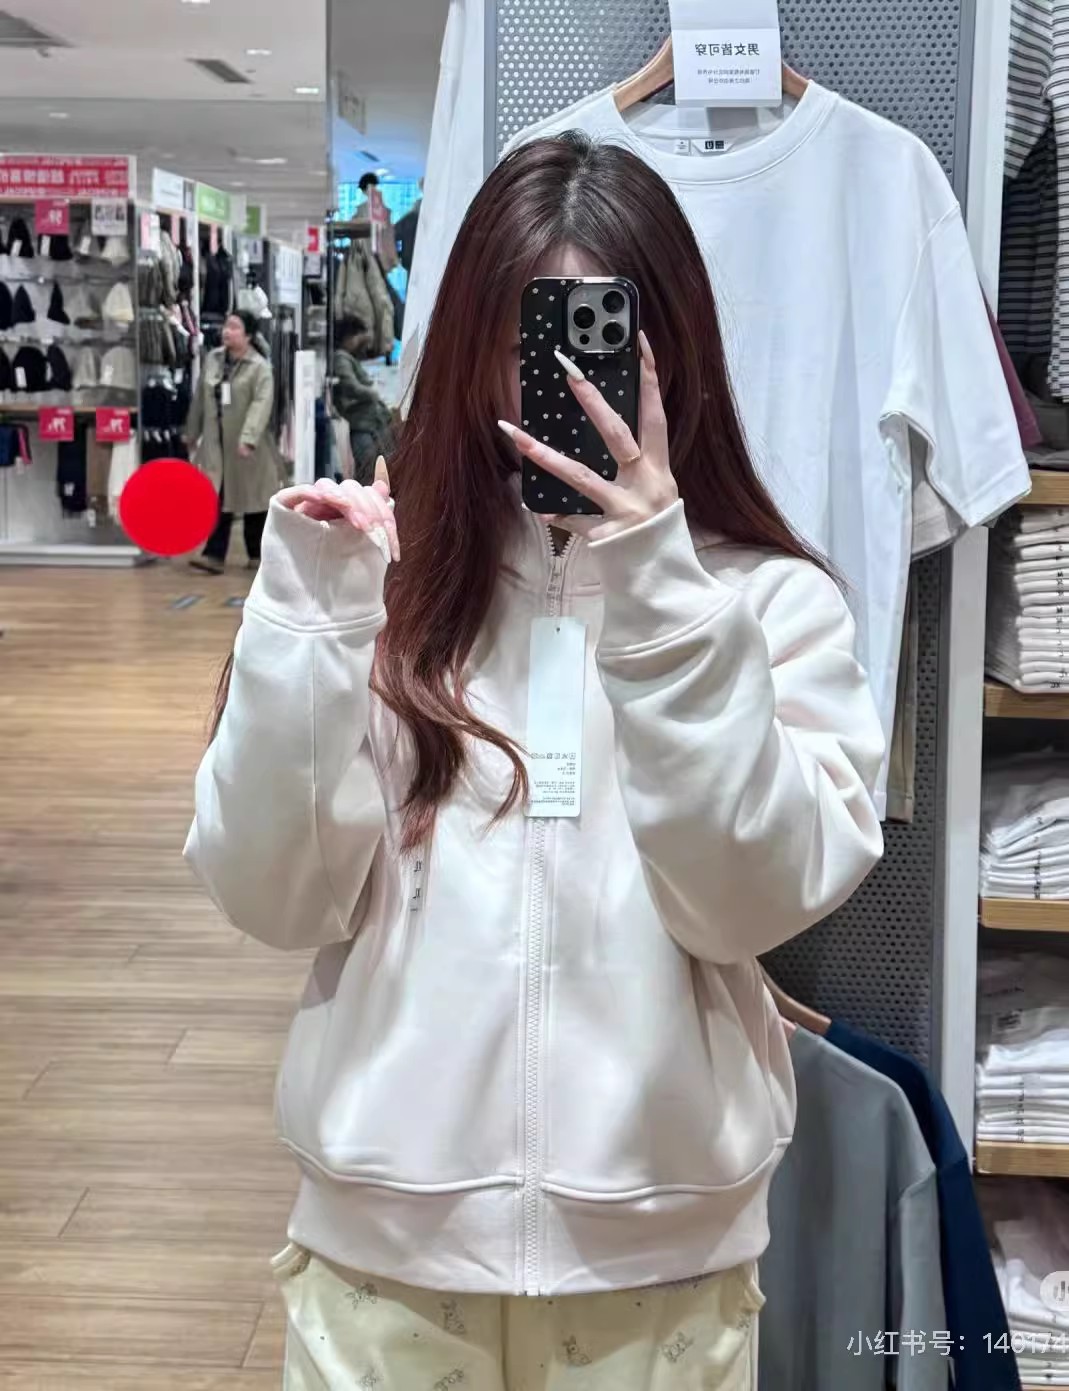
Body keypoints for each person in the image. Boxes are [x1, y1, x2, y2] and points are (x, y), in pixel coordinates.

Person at [185, 134, 884, 1389]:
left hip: (659, 1267)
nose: (557, 375)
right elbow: (272, 896)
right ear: (465, 346)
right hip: (380, 1257)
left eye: (596, 335)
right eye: (523, 334)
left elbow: (744, 903)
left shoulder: (763, 604)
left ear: (671, 351)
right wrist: (309, 615)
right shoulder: (387, 587)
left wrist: (660, 590)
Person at [187, 309, 277, 574]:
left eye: (235, 327)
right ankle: (214, 555)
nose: (227, 331)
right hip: (216, 444)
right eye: (227, 326)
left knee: (253, 501)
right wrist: (191, 432)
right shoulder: (213, 359)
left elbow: (261, 404)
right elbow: (199, 399)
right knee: (220, 497)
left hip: (247, 447)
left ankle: (257, 555)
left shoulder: (259, 368)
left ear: (248, 335)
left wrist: (248, 438)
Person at [331, 314, 395, 483]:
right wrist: (373, 392)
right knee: (368, 471)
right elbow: (351, 385)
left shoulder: (347, 359)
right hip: (363, 424)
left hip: (369, 423)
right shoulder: (341, 359)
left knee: (371, 469)